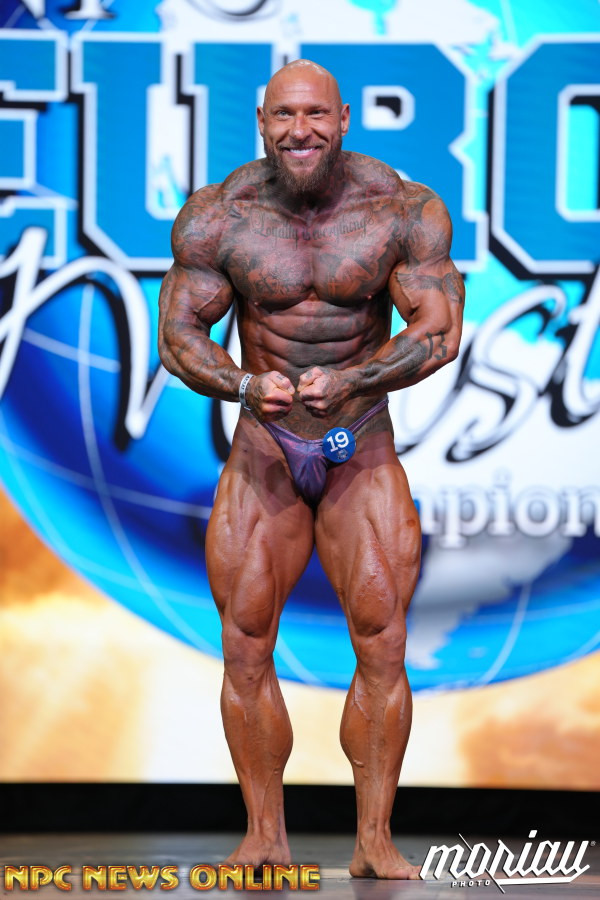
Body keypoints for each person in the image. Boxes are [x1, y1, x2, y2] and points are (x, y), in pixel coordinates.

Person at [158, 59, 464, 880]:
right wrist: (243, 385)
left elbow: (438, 330)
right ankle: (264, 835)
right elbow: (179, 336)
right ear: (262, 121)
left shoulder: (402, 209)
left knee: (382, 641)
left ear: (344, 118)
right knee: (245, 642)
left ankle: (374, 841)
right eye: (286, 115)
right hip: (264, 445)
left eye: (317, 115)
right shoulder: (218, 217)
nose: (302, 130)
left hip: (359, 442)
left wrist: (356, 377)